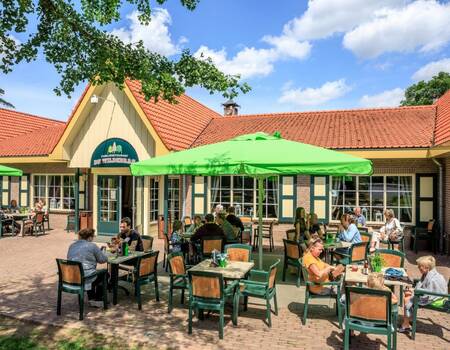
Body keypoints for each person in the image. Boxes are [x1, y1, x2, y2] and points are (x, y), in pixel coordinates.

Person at [399, 256, 447, 333]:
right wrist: (413, 290)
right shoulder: (429, 273)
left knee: (407, 298)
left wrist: (415, 291)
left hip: (437, 299)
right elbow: (426, 288)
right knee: (408, 294)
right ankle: (409, 320)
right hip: (434, 295)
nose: (418, 268)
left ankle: (406, 325)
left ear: (427, 267)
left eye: (420, 267)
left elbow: (430, 293)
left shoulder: (432, 279)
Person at [67, 228, 108, 307]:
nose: (92, 239)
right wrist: (103, 254)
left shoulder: (72, 245)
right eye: (92, 237)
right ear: (89, 237)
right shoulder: (92, 246)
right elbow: (102, 260)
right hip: (84, 277)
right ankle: (98, 299)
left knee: (90, 271)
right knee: (104, 274)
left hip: (72, 277)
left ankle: (91, 298)